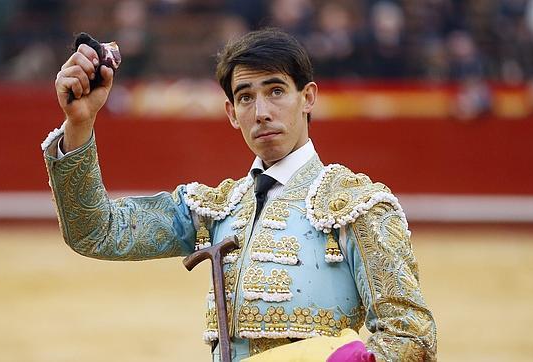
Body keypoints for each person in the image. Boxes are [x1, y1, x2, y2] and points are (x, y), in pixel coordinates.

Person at [42, 28, 437, 361]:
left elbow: (412, 339)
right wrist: (80, 122)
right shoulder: (215, 210)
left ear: (308, 97)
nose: (261, 111)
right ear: (232, 113)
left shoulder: (357, 208)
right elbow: (96, 231)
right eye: (246, 97)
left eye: (276, 90)